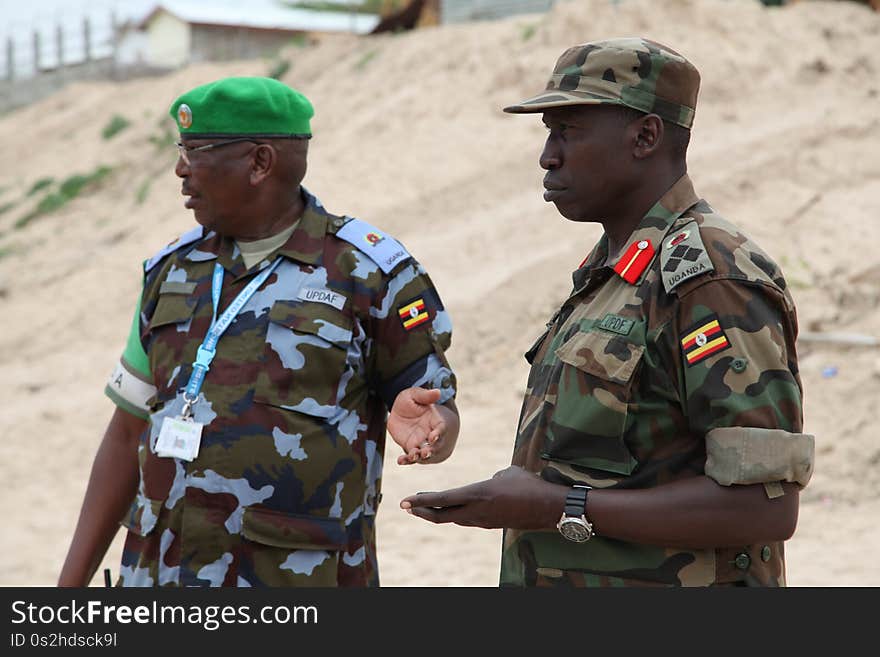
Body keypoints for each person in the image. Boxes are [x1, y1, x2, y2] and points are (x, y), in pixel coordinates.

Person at [401, 38, 814, 587]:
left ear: (645, 136)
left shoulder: (710, 277)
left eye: (568, 131)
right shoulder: (614, 269)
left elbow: (764, 509)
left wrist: (554, 506)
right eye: (549, 133)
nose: (548, 156)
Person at [59, 76, 460, 587]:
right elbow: (126, 431)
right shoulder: (173, 270)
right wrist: (69, 589)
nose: (180, 169)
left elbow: (432, 407)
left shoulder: (369, 272)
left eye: (195, 151)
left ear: (259, 162)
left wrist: (435, 427)